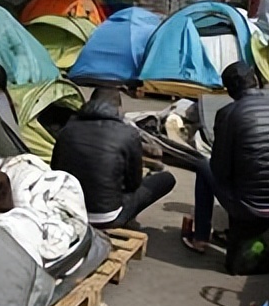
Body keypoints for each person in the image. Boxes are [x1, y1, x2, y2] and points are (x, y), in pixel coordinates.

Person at [184, 62, 269, 252]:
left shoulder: (228, 114)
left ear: (229, 90)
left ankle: (200, 238)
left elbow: (219, 170)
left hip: (249, 206)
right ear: (255, 81)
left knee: (203, 166)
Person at [51, 87, 176, 229]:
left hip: (68, 211)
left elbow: (55, 169)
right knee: (166, 179)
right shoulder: (128, 133)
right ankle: (124, 218)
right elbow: (133, 184)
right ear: (119, 108)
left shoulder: (68, 129)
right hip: (106, 218)